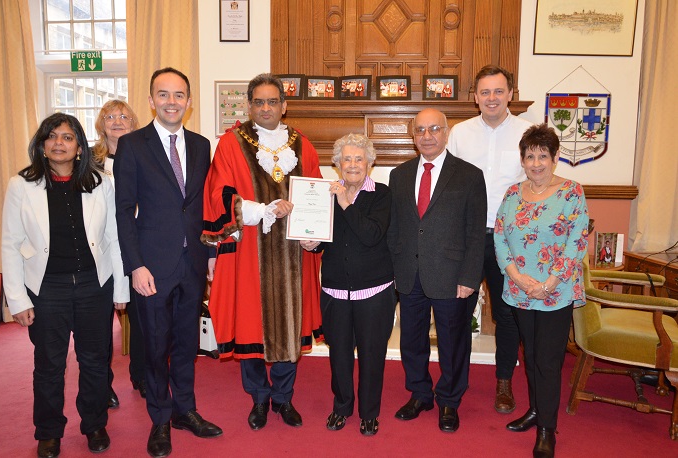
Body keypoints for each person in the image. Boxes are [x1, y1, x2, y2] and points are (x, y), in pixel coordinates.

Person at [1, 113, 129, 458]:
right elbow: (10, 244)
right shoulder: (21, 185)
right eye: (52, 136)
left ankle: (94, 424)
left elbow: (114, 238)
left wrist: (121, 288)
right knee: (49, 364)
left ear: (78, 146)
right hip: (46, 289)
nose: (60, 143)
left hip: (94, 285)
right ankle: (48, 432)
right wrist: (17, 299)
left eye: (68, 137)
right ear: (42, 145)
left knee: (94, 360)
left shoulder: (101, 182)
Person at [202, 73, 323, 432]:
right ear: (249, 105)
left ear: (284, 107)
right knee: (249, 323)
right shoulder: (230, 143)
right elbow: (218, 194)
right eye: (259, 102)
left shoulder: (304, 146)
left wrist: (314, 234)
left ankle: (283, 398)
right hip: (249, 252)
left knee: (290, 324)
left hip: (293, 254)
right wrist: (262, 210)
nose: (266, 108)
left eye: (273, 102)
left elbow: (315, 194)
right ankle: (259, 398)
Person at [114, 67, 222, 458]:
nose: (172, 102)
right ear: (151, 100)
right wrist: (135, 265)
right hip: (152, 267)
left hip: (192, 262)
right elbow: (124, 211)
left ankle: (185, 411)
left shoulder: (200, 145)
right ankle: (159, 419)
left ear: (189, 102)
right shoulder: (132, 145)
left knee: (187, 343)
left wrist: (210, 254)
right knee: (156, 346)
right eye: (164, 94)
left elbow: (205, 206)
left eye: (179, 95)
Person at [387, 108, 487, 433]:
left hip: (452, 275)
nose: (427, 136)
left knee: (453, 342)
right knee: (411, 340)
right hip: (409, 273)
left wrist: (470, 277)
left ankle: (449, 401)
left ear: (446, 133)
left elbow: (476, 232)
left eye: (434, 129)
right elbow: (396, 228)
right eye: (420, 130)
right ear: (412, 136)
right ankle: (420, 394)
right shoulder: (398, 175)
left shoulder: (470, 175)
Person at [494, 124, 589, 458]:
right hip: (520, 290)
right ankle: (536, 411)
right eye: (530, 156)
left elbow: (576, 243)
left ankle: (548, 427)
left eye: (543, 156)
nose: (536, 163)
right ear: (522, 159)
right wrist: (518, 278)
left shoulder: (572, 192)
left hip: (555, 291)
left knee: (548, 361)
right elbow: (500, 237)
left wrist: (549, 283)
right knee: (530, 356)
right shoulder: (511, 194)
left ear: (555, 157)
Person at [447, 64, 533, 414]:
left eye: (499, 91)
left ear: (510, 94)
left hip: (509, 240)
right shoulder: (459, 133)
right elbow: (447, 185)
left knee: (507, 315)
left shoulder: (530, 133)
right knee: (457, 313)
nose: (492, 98)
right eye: (485, 92)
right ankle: (454, 383)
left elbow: (540, 182)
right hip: (466, 238)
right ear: (475, 97)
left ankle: (503, 383)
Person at [300, 134, 395, 436]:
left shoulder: (382, 195)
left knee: (371, 354)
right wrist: (311, 243)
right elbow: (322, 241)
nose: (352, 164)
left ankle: (369, 413)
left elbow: (371, 234)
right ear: (337, 163)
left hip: (375, 290)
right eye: (347, 159)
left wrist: (344, 203)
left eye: (359, 159)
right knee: (338, 354)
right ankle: (341, 407)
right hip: (334, 290)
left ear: (369, 163)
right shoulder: (324, 195)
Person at [92, 100, 146, 408]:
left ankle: (140, 375)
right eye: (110, 117)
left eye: (124, 116)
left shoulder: (142, 155)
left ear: (134, 122)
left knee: (140, 317)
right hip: (101, 251)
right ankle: (102, 384)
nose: (117, 121)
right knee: (100, 325)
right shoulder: (89, 161)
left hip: (136, 247)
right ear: (101, 124)